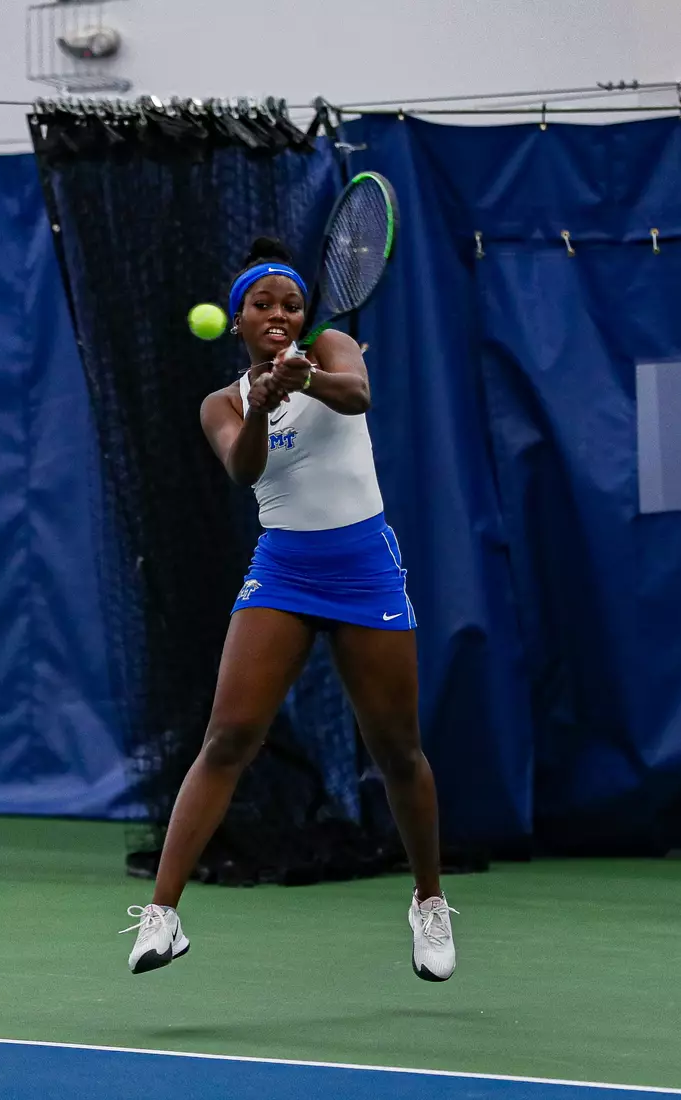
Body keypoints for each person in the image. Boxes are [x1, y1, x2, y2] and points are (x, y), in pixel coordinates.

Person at [121, 237, 458, 982]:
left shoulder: (331, 347)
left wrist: (305, 379)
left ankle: (428, 901)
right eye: (263, 305)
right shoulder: (220, 403)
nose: (279, 314)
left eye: (290, 305)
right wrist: (264, 399)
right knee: (228, 735)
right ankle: (162, 915)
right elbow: (243, 469)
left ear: (305, 316)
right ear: (237, 319)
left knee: (397, 750)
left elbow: (358, 396)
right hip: (284, 568)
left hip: (364, 564)